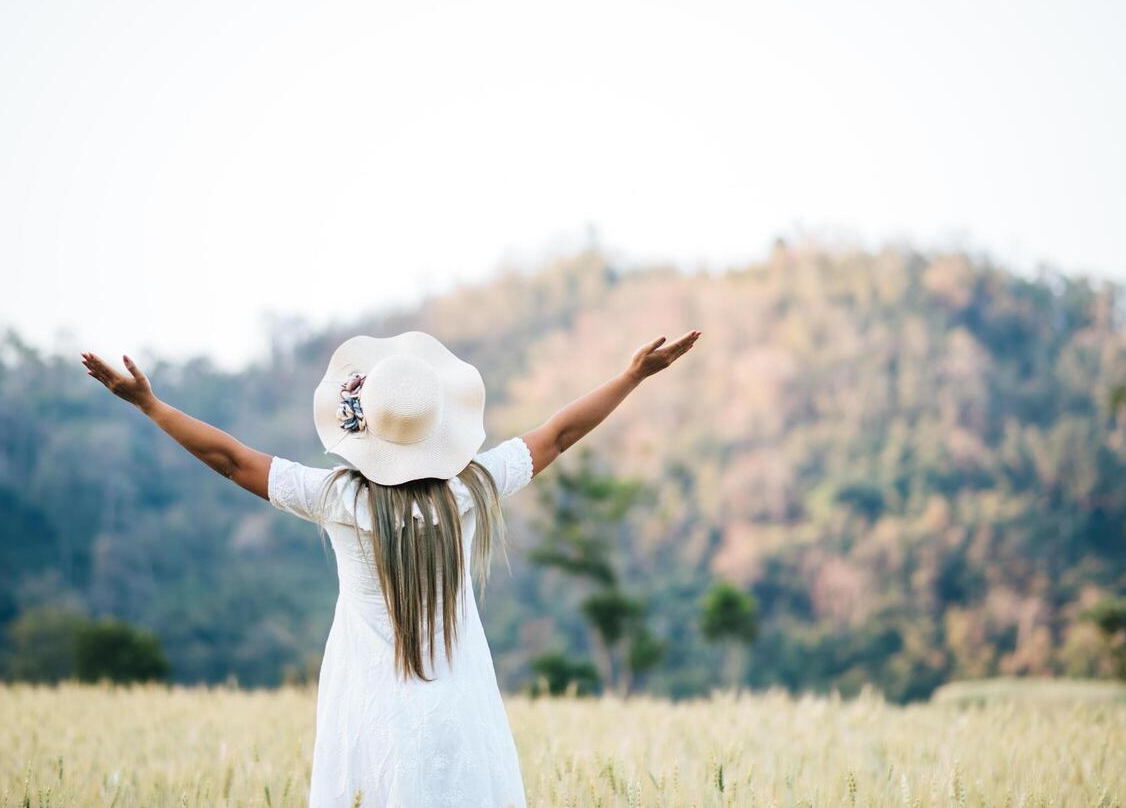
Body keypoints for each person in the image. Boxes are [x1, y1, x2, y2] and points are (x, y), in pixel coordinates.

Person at [81, 328, 700, 807]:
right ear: (440, 427)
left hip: (368, 722)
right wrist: (632, 376)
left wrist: (151, 406)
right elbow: (559, 434)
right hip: (462, 715)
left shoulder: (338, 499)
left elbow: (232, 459)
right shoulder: (473, 489)